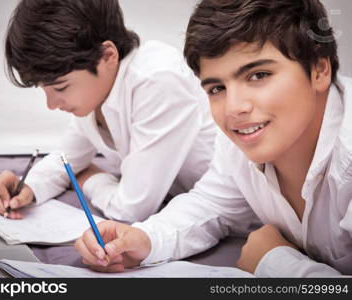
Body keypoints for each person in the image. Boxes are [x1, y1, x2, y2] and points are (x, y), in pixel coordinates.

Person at [75, 0, 352, 277]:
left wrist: (272, 261)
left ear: (319, 70)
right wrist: (143, 240)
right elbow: (211, 206)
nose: (233, 108)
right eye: (217, 88)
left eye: (258, 75)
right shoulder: (244, 141)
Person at [0, 0, 217, 223]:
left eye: (60, 87)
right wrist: (27, 186)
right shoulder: (97, 93)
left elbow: (131, 210)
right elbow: (67, 159)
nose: (52, 104)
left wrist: (90, 177)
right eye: (44, 89)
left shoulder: (158, 79)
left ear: (107, 55)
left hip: (234, 216)